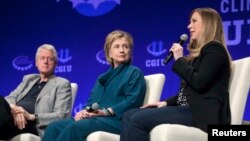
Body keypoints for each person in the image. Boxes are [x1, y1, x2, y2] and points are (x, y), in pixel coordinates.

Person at [120, 7, 232, 141]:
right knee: (129, 115)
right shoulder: (201, 54)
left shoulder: (215, 49)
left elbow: (199, 83)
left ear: (207, 24)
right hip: (188, 110)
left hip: (202, 114)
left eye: (194, 21)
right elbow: (188, 91)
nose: (189, 26)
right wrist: (165, 103)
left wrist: (179, 59)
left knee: (137, 120)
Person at [42, 30, 147, 141]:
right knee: (54, 127)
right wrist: (83, 111)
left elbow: (132, 102)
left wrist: (104, 112)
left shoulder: (134, 73)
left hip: (117, 121)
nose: (122, 50)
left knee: (75, 127)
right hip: (96, 118)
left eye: (125, 46)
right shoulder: (102, 77)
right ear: (109, 53)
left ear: (130, 51)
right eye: (117, 47)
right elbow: (91, 101)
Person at [0, 44, 72, 140]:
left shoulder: (62, 84)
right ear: (36, 62)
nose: (45, 62)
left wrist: (31, 116)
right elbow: (10, 98)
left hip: (33, 125)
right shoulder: (29, 79)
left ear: (55, 63)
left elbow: (62, 116)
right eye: (42, 58)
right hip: (12, 118)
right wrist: (14, 110)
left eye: (50, 59)